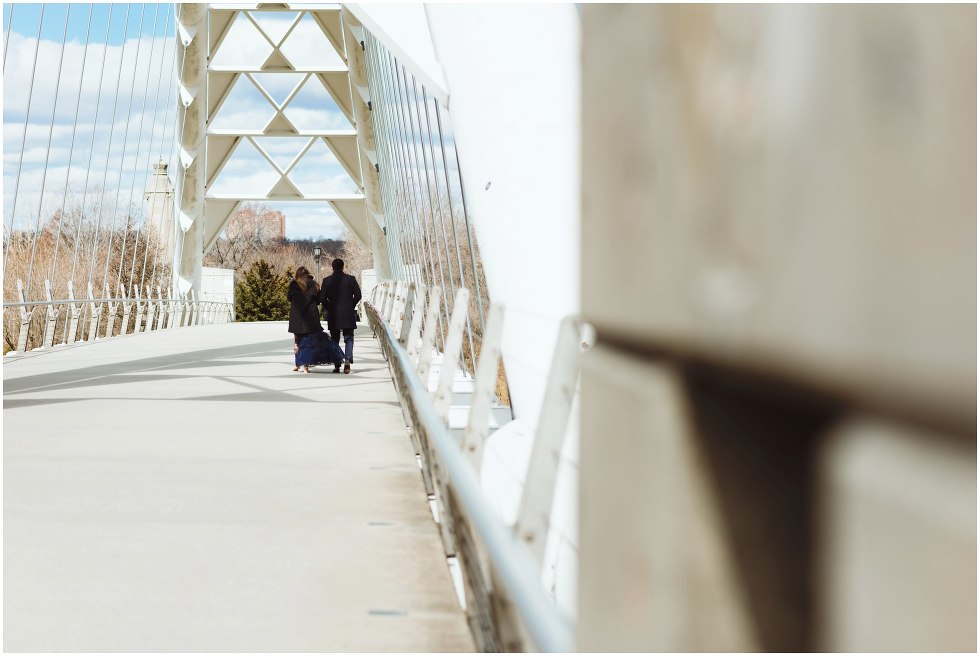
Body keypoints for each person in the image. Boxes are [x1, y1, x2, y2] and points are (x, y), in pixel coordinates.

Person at [319, 258, 362, 374]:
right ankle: (347, 361)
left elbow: (322, 298)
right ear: (343, 266)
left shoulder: (326, 281)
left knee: (334, 339)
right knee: (349, 338)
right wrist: (350, 305)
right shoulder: (351, 279)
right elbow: (358, 295)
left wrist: (330, 307)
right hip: (348, 313)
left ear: (332, 267)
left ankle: (337, 364)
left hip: (333, 314)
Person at [287, 267, 323, 373]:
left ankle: (297, 363)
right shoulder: (314, 284)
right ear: (307, 274)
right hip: (310, 315)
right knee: (307, 341)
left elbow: (289, 298)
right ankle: (306, 367)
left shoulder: (294, 284)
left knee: (297, 340)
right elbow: (319, 299)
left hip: (296, 315)